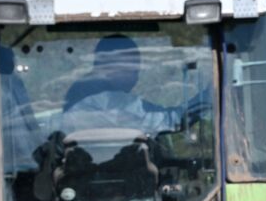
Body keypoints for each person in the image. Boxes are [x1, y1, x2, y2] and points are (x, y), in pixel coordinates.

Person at [61, 34, 198, 135]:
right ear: (107, 66)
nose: (135, 74)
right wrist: (206, 99)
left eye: (136, 67)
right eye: (129, 67)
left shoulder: (78, 91)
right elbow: (172, 120)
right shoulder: (112, 101)